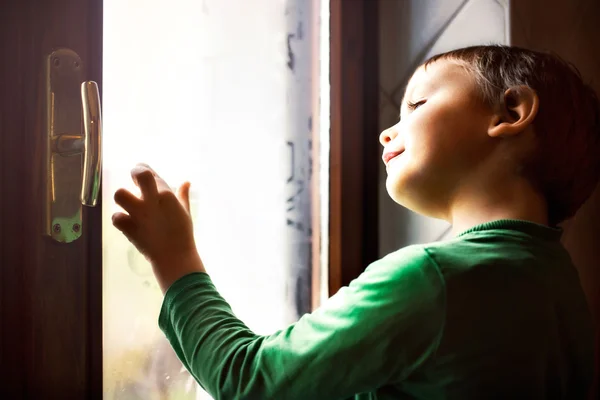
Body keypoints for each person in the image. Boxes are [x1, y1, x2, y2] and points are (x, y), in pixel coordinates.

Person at [112, 45, 600, 399]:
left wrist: (174, 258)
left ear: (510, 112)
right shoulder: (563, 292)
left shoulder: (431, 280)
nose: (388, 130)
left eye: (418, 105)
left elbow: (251, 381)